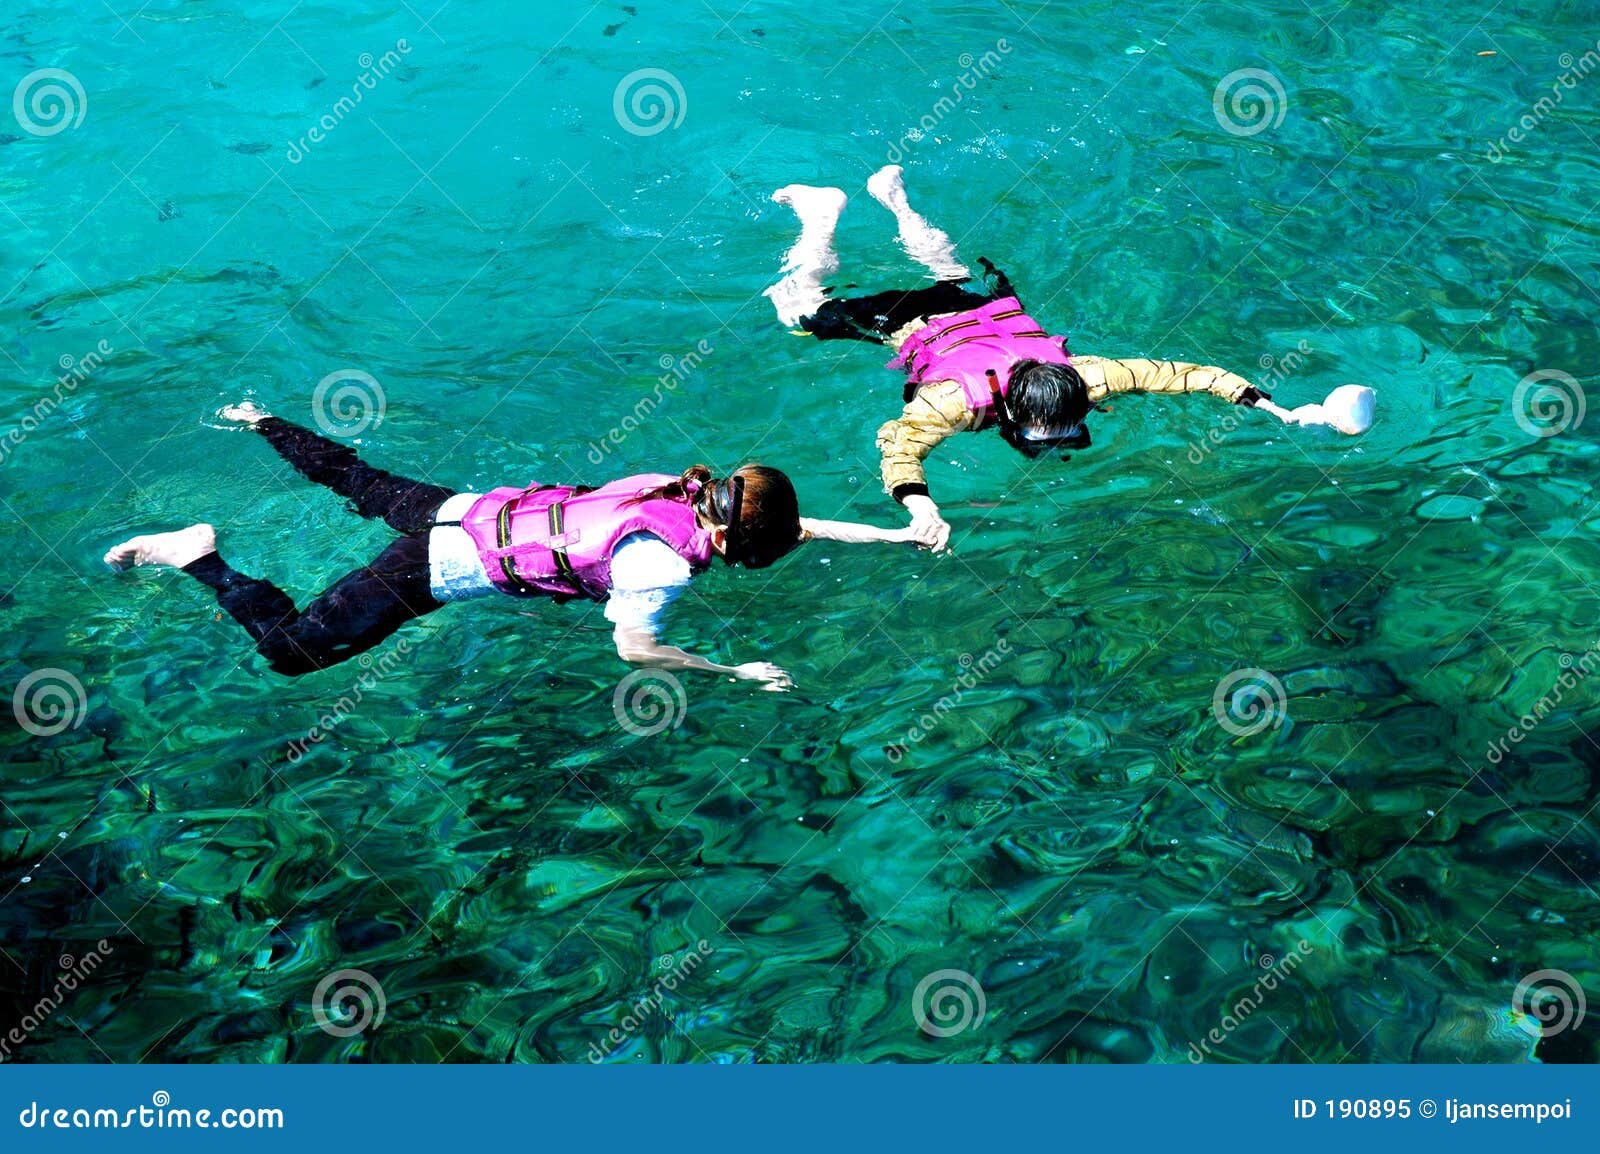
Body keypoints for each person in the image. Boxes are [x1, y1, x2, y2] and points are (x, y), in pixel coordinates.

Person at [104, 402, 925, 691]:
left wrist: (897, 534)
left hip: (459, 509)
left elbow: (798, 525)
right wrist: (731, 671)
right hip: (431, 567)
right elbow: (635, 651)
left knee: (355, 478)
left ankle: (261, 421)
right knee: (291, 655)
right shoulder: (661, 567)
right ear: (739, 543)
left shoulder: (677, 488)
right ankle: (196, 553)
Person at [764, 165, 1376, 550]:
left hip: (980, 313)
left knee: (949, 272)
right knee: (801, 312)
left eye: (1066, 432)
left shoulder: (1090, 378)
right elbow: (899, 443)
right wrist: (922, 505)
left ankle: (895, 200)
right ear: (1008, 411)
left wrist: (1278, 409)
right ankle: (822, 216)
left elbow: (1191, 375)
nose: (1055, 446)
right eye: (1044, 437)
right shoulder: (953, 402)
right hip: (914, 323)